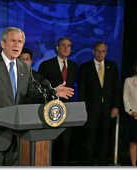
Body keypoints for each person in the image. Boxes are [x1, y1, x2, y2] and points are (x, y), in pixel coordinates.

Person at [0, 27, 74, 166]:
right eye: (13, 41)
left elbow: (33, 93)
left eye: (20, 42)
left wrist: (53, 92)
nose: (17, 45)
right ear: (3, 43)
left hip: (16, 135)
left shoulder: (25, 67)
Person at [78, 41, 119, 166]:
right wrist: (82, 108)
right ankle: (88, 165)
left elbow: (115, 88)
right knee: (89, 140)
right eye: (98, 50)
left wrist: (116, 106)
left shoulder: (112, 66)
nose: (100, 53)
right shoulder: (85, 67)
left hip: (107, 109)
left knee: (104, 140)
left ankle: (102, 165)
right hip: (90, 110)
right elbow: (82, 89)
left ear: (106, 52)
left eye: (103, 51)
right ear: (93, 51)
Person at [38, 37, 78, 166]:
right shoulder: (46, 64)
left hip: (67, 111)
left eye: (69, 46)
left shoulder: (73, 66)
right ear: (57, 47)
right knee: (50, 143)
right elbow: (40, 87)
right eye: (63, 45)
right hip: (50, 110)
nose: (66, 48)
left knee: (65, 144)